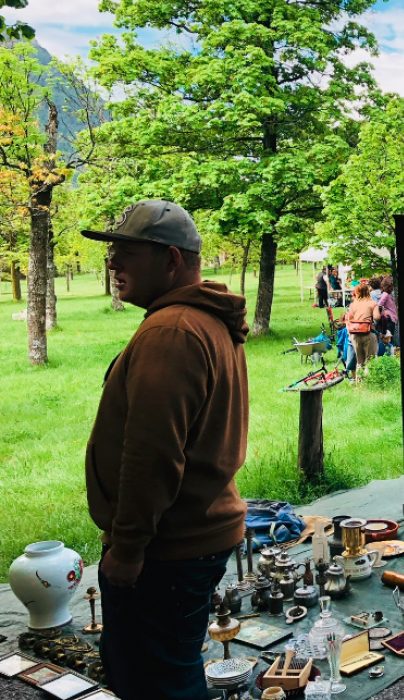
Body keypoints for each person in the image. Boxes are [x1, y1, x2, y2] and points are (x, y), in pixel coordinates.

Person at [81, 200, 248, 700]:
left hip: (166, 548)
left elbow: (153, 455)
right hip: (191, 536)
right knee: (165, 670)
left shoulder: (172, 330)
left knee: (158, 683)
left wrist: (128, 548)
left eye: (127, 253)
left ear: (171, 260)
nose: (112, 264)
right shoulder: (198, 321)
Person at [343, 281, 380, 379]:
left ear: (357, 292)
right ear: (368, 291)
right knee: (369, 360)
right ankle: (369, 382)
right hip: (368, 333)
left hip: (355, 335)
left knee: (360, 362)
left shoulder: (353, 305)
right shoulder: (372, 303)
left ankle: (359, 383)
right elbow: (377, 317)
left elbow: (349, 319)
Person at [377, 277, 398, 352]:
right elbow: (379, 304)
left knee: (390, 338)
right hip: (389, 320)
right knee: (388, 339)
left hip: (392, 318)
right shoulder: (385, 294)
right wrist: (384, 312)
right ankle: (387, 354)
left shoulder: (390, 294)